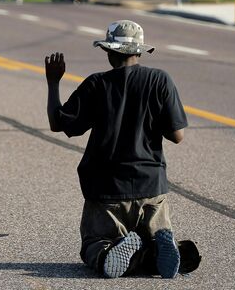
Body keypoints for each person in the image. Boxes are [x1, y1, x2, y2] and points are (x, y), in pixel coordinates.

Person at [45, 20, 201, 278]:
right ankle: (161, 246)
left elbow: (57, 123)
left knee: (94, 245)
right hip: (151, 189)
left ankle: (110, 252)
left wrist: (53, 82)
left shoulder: (96, 84)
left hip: (106, 192)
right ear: (139, 52)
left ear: (109, 52)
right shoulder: (160, 80)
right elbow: (177, 135)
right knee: (153, 240)